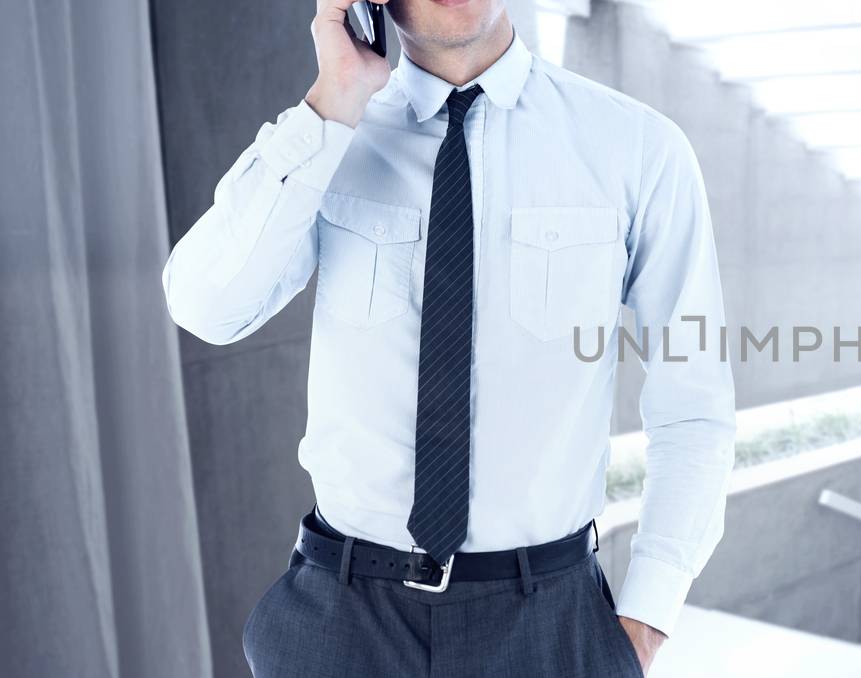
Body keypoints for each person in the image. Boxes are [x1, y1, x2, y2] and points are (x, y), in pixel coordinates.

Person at [161, 0, 734, 675]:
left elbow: (694, 404)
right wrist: (333, 98)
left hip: (549, 625)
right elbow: (207, 306)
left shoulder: (639, 148)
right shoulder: (329, 136)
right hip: (343, 623)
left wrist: (642, 622)